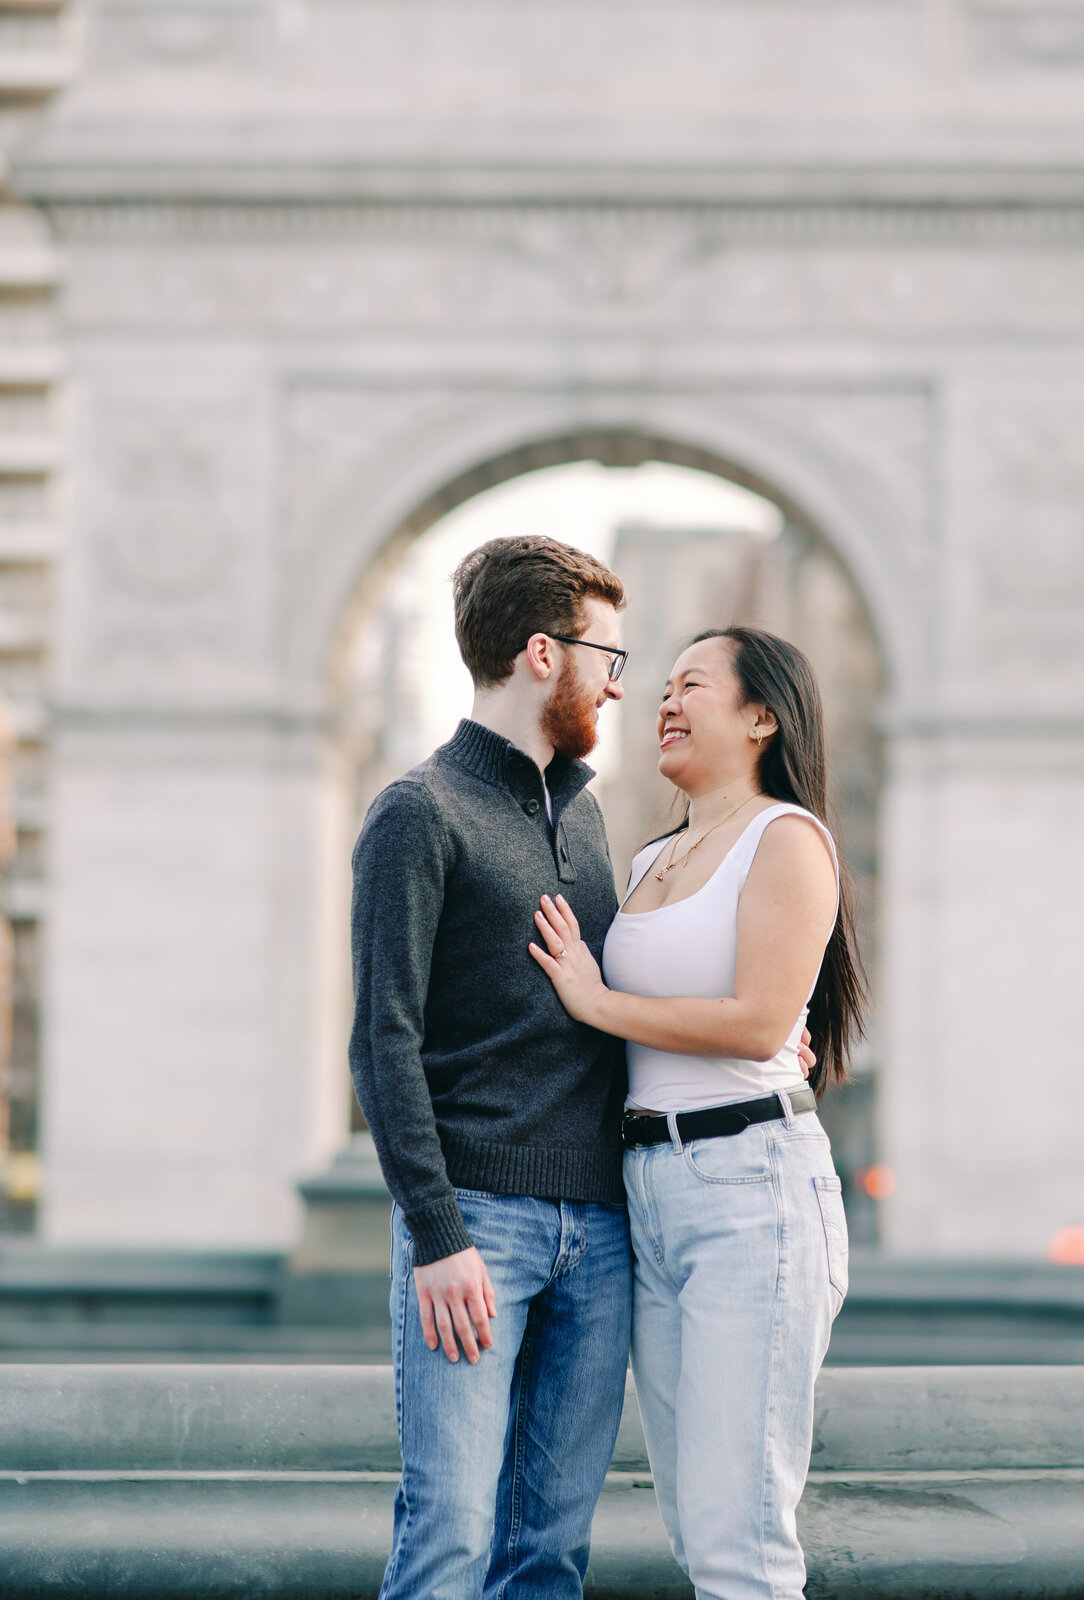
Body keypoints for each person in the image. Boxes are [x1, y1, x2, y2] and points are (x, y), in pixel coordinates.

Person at [530, 624, 866, 1600]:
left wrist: (599, 1001)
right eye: (662, 685)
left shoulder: (787, 837)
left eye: (693, 686)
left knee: (741, 1544)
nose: (664, 702)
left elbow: (760, 1019)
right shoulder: (644, 862)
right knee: (693, 1523)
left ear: (762, 715)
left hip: (750, 1189)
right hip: (649, 1198)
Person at [348, 534, 636, 1600]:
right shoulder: (415, 814)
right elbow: (381, 1039)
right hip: (476, 1228)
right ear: (542, 653)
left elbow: (606, 1003)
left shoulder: (590, 813)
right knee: (450, 1539)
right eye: (608, 654)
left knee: (549, 1552)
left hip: (602, 1232)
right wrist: (437, 1237)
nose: (619, 679)